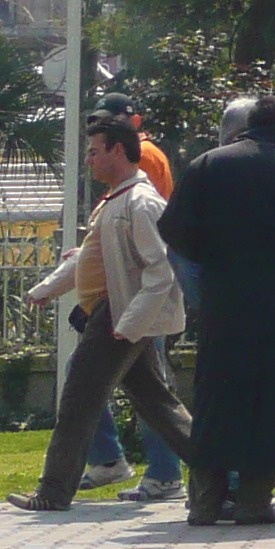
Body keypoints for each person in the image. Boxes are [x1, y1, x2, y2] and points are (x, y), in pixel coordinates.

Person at [160, 93, 275, 528]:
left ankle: (205, 501)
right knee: (274, 402)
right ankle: (254, 500)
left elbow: (174, 231)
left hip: (225, 302)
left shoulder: (209, 165)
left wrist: (211, 275)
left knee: (217, 399)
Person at [9, 115, 195, 512]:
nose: (89, 160)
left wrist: (129, 324)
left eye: (94, 151)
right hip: (118, 315)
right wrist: (46, 289)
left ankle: (53, 492)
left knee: (79, 398)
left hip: (118, 315)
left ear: (117, 150)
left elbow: (161, 271)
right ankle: (224, 476)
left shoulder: (141, 203)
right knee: (157, 404)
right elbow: (88, 259)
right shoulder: (118, 200)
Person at [83, 92, 184, 501]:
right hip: (123, 296)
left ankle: (162, 471)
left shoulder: (145, 162)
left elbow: (146, 236)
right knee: (145, 389)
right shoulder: (125, 180)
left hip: (135, 298)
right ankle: (121, 462)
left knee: (150, 392)